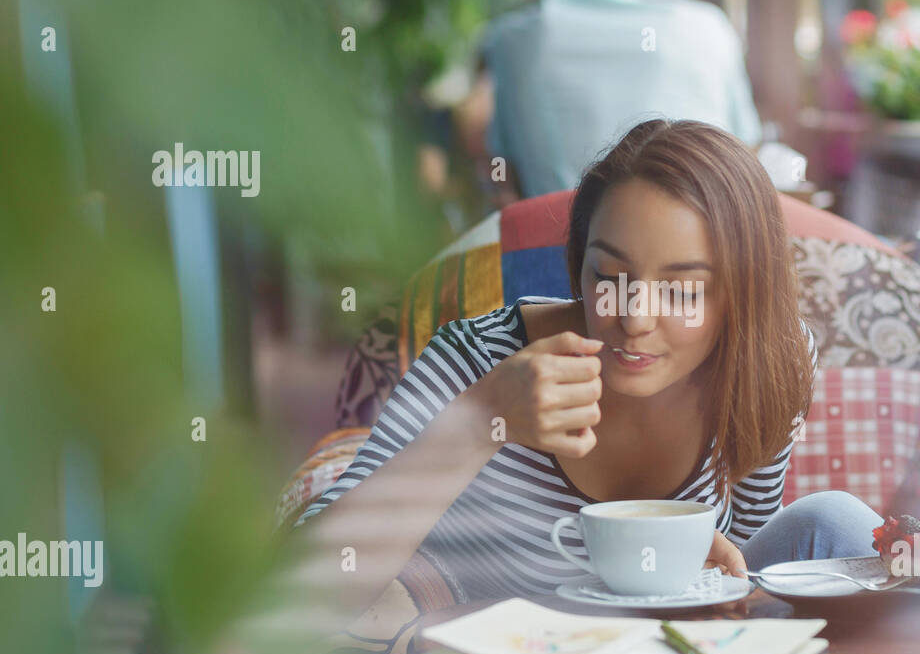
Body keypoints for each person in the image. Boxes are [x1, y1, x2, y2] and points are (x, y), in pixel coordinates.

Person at [294, 120, 884, 615]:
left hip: (688, 652)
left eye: (682, 291)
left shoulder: (769, 359)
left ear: (742, 295)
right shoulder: (479, 360)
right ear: (578, 265)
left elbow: (743, 555)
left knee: (838, 524)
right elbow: (300, 601)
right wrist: (483, 417)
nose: (632, 319)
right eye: (608, 276)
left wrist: (675, 558)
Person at [481, 0, 762, 200]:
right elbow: (748, 156)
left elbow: (506, 177)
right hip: (703, 244)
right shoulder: (709, 27)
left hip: (567, 250)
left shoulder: (511, 43)